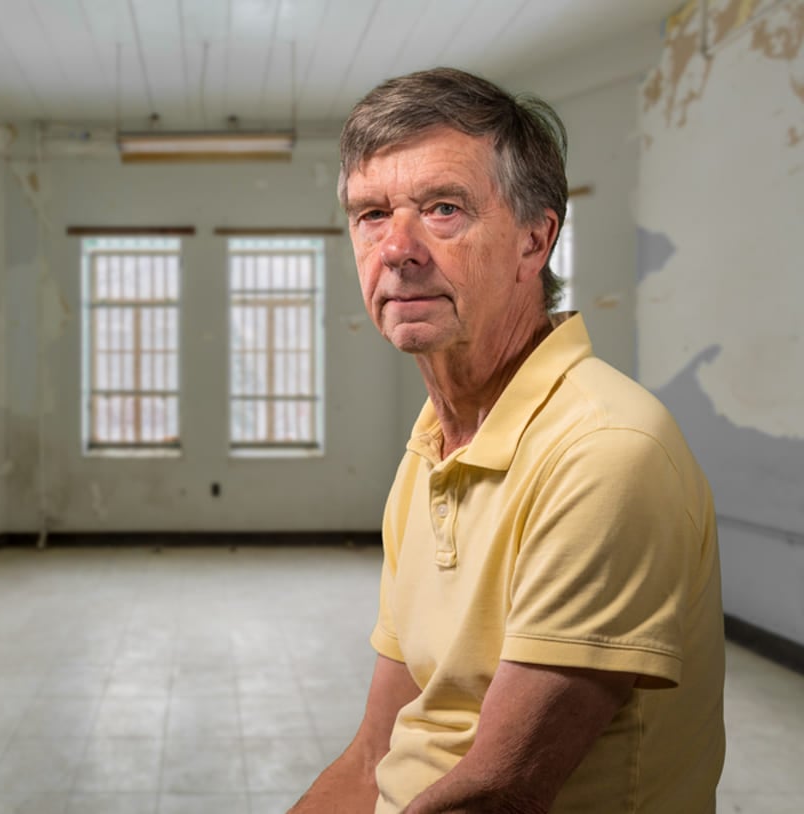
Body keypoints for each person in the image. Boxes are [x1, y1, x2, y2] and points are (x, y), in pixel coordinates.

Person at [290, 68, 725, 813]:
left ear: (536, 239)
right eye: (371, 214)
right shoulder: (433, 449)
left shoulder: (604, 450)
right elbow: (374, 756)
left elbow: (501, 794)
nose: (397, 248)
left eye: (444, 209)